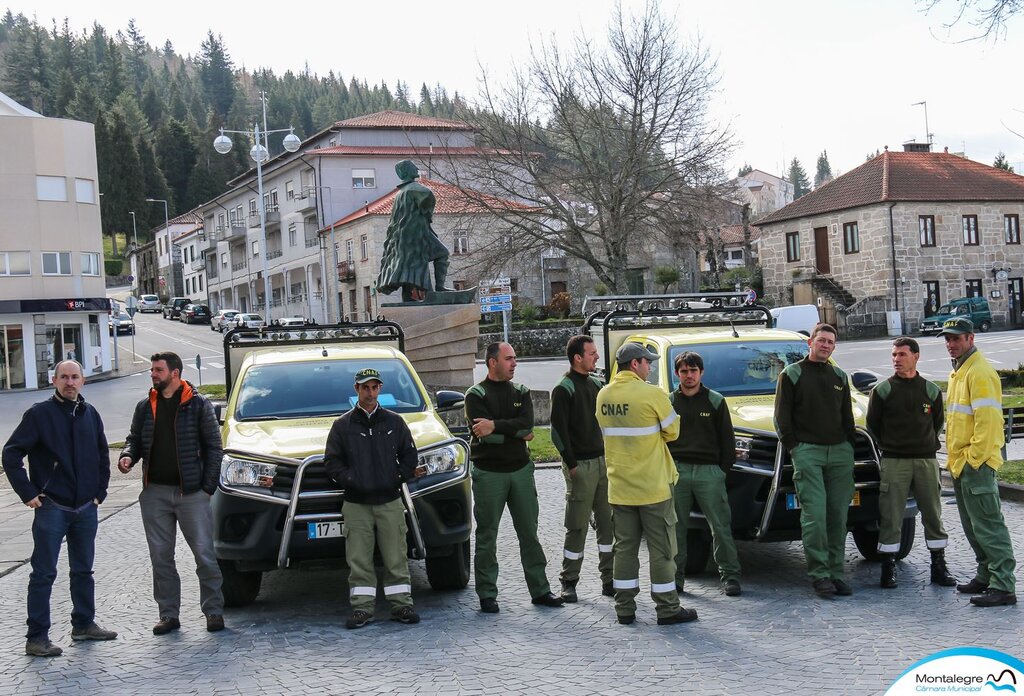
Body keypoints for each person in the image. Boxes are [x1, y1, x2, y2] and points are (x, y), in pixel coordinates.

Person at [2, 360, 118, 657]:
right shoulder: (39, 415)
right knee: (43, 574)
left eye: (74, 377)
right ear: (54, 380)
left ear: (83, 381)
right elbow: (11, 454)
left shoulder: (90, 413)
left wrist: (100, 492)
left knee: (83, 571)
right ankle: (36, 638)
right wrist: (28, 492)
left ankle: (83, 624)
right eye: (63, 377)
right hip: (52, 505)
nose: (69, 382)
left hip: (85, 507)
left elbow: (102, 455)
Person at [118, 352, 226, 634]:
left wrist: (207, 488)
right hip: (155, 493)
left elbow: (215, 447)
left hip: (192, 494)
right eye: (152, 370)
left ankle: (213, 611)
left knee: (204, 554)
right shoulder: (145, 406)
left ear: (174, 373)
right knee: (161, 557)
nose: (152, 374)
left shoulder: (198, 404)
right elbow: (134, 440)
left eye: (157, 370)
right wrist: (128, 456)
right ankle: (168, 615)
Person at [596, 343, 697, 626]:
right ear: (635, 364)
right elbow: (673, 431)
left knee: (624, 550)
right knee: (663, 550)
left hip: (619, 487)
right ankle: (667, 608)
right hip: (653, 487)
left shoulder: (603, 395)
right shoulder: (652, 394)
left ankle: (624, 609)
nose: (649, 367)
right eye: (647, 362)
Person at [466, 342, 563, 613]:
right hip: (488, 474)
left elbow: (528, 426)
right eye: (509, 359)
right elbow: (481, 434)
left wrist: (496, 426)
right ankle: (487, 594)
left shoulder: (520, 391)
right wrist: (515, 432)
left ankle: (540, 590)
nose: (514, 363)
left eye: (515, 359)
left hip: (521, 471)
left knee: (529, 533)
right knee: (487, 536)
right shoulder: (476, 394)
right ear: (492, 362)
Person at [324, 367, 421, 629]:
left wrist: (395, 478)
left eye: (375, 387)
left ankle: (402, 604)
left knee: (396, 556)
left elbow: (410, 457)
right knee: (359, 559)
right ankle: (362, 609)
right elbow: (331, 462)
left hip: (390, 500)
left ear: (380, 389)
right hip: (356, 504)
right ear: (356, 389)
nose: (370, 392)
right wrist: (351, 480)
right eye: (365, 387)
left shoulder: (394, 422)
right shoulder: (342, 425)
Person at [866, 336, 956, 590]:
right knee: (891, 516)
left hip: (926, 461)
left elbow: (937, 423)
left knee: (932, 515)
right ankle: (888, 568)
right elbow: (873, 426)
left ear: (916, 356)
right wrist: (892, 445)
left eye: (902, 354)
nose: (896, 359)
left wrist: (923, 443)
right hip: (894, 461)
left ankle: (938, 566)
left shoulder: (929, 390)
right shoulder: (882, 390)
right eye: (894, 355)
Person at [774, 323, 857, 599]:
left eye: (830, 343)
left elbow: (847, 416)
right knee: (815, 517)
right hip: (808, 451)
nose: (825, 346)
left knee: (838, 516)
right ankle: (820, 575)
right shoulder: (792, 374)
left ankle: (836, 573)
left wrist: (848, 444)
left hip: (839, 452)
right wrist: (794, 447)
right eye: (821, 341)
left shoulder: (839, 375)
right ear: (810, 342)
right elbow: (782, 417)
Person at [939, 318, 1017, 607]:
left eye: (956, 338)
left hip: (976, 464)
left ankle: (1003, 585)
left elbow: (988, 423)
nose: (951, 343)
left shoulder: (979, 372)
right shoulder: (959, 371)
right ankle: (985, 575)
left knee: (988, 525)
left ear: (970, 338)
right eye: (947, 339)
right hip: (961, 464)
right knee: (973, 526)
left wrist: (974, 460)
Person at [669, 352, 741, 597]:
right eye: (684, 371)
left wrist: (721, 471)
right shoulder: (668, 402)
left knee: (720, 526)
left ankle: (730, 576)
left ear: (701, 372)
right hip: (677, 471)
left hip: (710, 472)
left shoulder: (715, 401)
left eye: (693, 371)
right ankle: (675, 579)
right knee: (675, 527)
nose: (689, 376)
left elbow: (727, 442)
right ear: (677, 373)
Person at [550, 336, 613, 602]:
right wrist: (572, 464)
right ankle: (569, 582)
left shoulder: (596, 384)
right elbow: (557, 432)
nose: (596, 357)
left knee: (608, 526)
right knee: (577, 526)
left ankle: (609, 580)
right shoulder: (564, 388)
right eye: (592, 354)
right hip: (581, 467)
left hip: (603, 464)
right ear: (578, 357)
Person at [375, 159, 451, 302]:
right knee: (443, 253)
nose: (416, 168)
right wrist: (426, 213)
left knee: (410, 264)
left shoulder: (399, 194)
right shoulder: (414, 188)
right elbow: (428, 195)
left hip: (408, 235)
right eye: (413, 166)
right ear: (408, 171)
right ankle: (440, 287)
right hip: (418, 233)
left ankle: (409, 297)